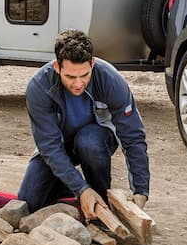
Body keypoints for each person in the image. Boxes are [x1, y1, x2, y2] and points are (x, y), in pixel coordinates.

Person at [17, 29, 149, 222]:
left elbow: (133, 136)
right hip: (59, 145)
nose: (78, 83)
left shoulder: (110, 80)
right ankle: (78, 187)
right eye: (70, 77)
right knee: (29, 201)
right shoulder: (39, 87)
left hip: (96, 141)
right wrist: (81, 189)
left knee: (88, 142)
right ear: (57, 67)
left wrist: (141, 190)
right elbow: (50, 147)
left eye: (85, 75)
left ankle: (102, 199)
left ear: (92, 63)